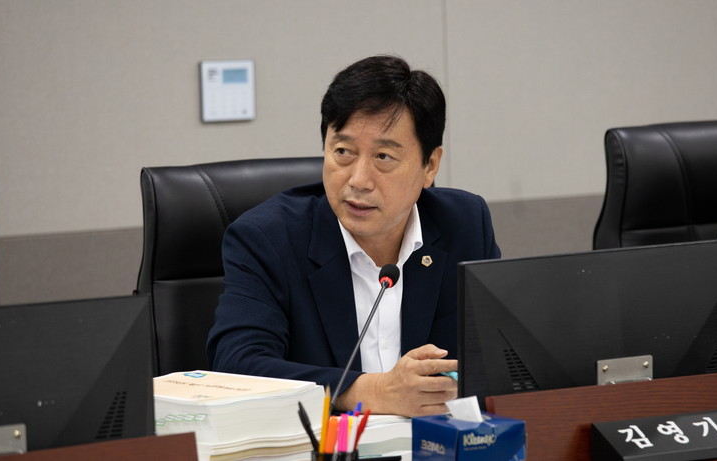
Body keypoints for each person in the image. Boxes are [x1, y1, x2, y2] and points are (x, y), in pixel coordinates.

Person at [206, 55, 500, 417]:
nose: (358, 180)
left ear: (430, 166)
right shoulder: (267, 239)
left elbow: (501, 353)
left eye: (383, 157)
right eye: (343, 152)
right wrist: (367, 391)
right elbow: (237, 366)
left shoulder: (464, 224)